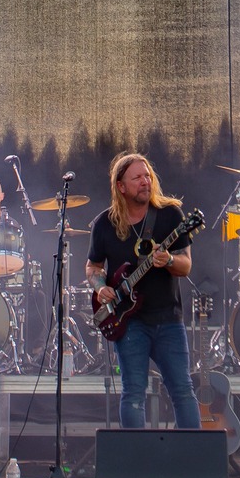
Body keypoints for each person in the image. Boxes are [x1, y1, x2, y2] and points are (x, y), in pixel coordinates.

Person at [86, 152, 201, 429]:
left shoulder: (170, 214)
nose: (145, 181)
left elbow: (185, 266)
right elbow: (93, 266)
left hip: (167, 319)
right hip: (130, 322)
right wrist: (101, 288)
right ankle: (136, 466)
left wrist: (169, 260)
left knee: (183, 391)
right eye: (137, 177)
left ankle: (193, 464)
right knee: (133, 394)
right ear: (121, 186)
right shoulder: (105, 224)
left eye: (148, 176)